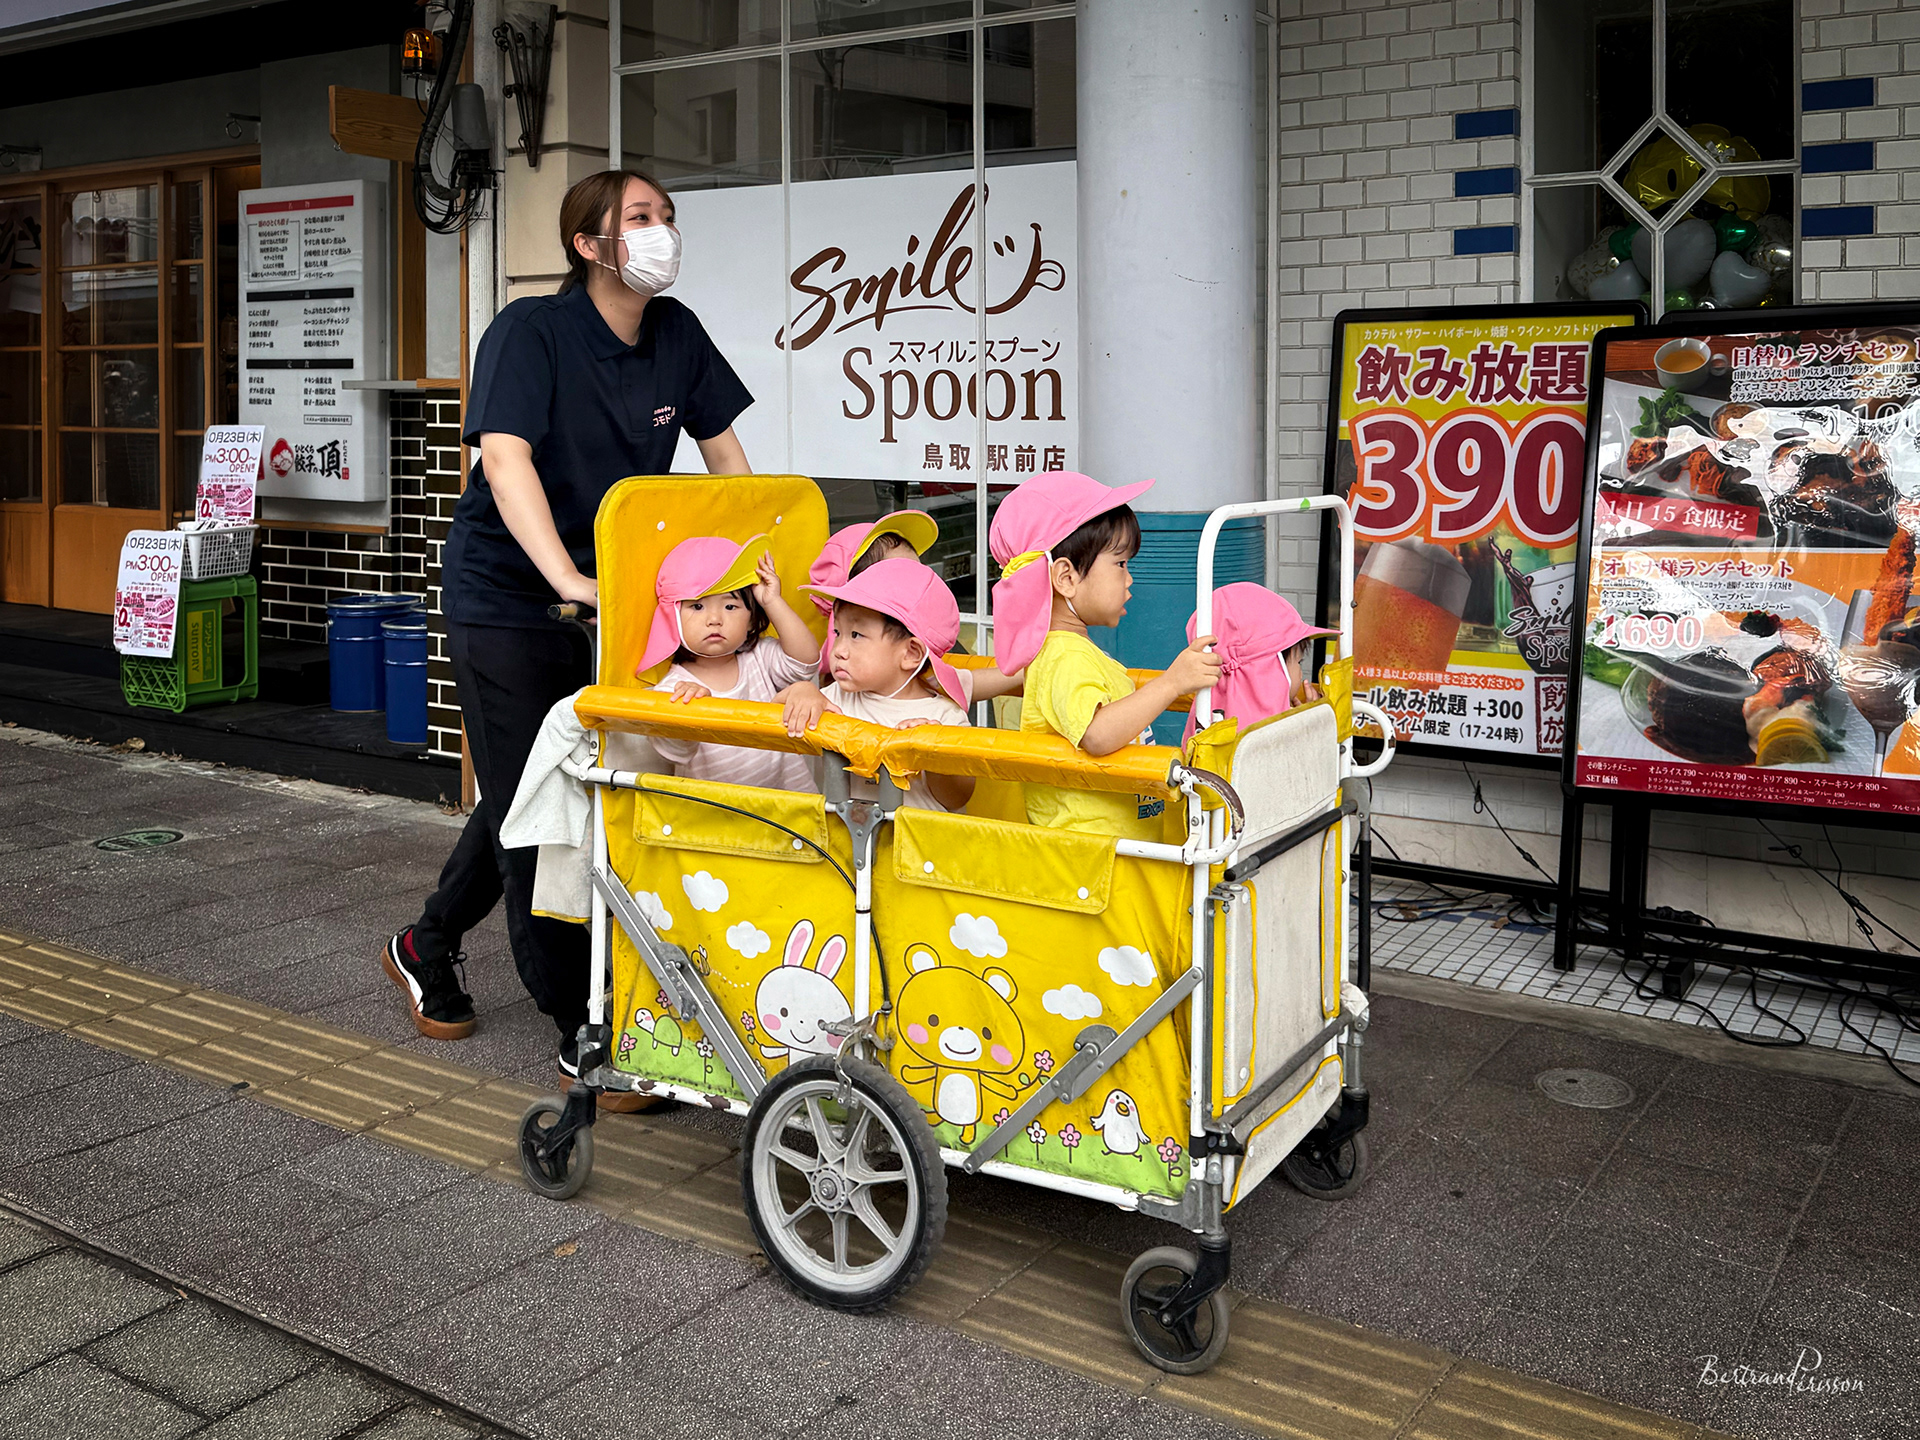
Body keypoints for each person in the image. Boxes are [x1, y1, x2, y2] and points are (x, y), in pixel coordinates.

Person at [383, 168, 752, 1103]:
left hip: (610, 599)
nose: (662, 230)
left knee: (541, 783)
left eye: (667, 216)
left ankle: (427, 939)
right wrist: (564, 578)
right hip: (509, 598)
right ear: (590, 245)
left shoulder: (676, 333)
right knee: (534, 806)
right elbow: (504, 460)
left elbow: (727, 466)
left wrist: (757, 571)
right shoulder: (530, 332)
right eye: (640, 217)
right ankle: (582, 1022)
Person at [987, 471, 1222, 838]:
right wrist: (1171, 683)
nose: (1129, 579)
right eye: (1120, 564)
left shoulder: (1072, 651)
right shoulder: (1063, 655)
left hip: (1111, 847)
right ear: (1066, 578)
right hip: (1090, 853)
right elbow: (1096, 734)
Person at [780, 555, 976, 813]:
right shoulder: (833, 698)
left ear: (910, 654)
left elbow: (958, 797)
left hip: (915, 840)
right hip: (840, 839)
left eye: (856, 635)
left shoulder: (945, 716)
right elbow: (768, 720)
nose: (838, 650)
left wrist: (933, 752)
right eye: (837, 633)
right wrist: (800, 691)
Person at [642, 536, 820, 789]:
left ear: (751, 620)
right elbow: (673, 751)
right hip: (720, 811)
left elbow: (806, 662)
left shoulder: (759, 657)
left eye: (730, 606)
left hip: (789, 803)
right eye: (697, 606)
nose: (714, 619)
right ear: (673, 619)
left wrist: (772, 602)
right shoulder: (675, 689)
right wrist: (690, 712)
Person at [807, 511, 1024, 704]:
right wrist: (802, 691)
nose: (919, 584)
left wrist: (1026, 672)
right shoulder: (836, 688)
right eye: (900, 576)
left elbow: (966, 684)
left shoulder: (918, 663)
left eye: (917, 571)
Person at [1181, 583, 1338, 744]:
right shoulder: (1266, 735)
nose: (1300, 673)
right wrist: (1313, 725)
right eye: (1299, 662)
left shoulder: (1207, 721)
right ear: (1268, 671)